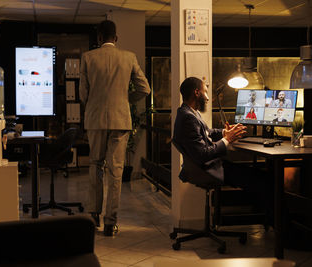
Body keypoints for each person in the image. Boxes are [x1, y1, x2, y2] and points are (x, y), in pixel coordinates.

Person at [79, 20, 151, 236]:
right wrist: (124, 99)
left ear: (99, 38)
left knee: (95, 165)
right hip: (121, 120)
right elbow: (144, 88)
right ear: (116, 38)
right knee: (116, 171)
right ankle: (111, 222)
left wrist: (93, 104)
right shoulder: (128, 57)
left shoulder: (88, 58)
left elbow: (83, 94)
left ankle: (93, 215)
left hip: (95, 119)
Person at [173, 77, 272, 220]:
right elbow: (202, 154)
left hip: (206, 166)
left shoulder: (189, 112)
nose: (207, 98)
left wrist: (224, 133)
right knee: (263, 180)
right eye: (205, 92)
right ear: (196, 92)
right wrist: (228, 139)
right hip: (208, 170)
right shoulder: (189, 118)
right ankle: (281, 229)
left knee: (258, 176)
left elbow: (208, 132)